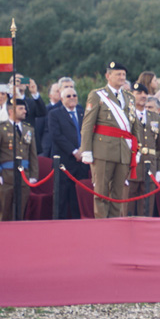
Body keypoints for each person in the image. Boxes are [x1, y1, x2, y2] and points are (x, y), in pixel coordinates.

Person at [80, 62, 140, 219]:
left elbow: (134, 125)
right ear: (108, 76)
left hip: (124, 150)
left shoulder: (129, 97)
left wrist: (136, 149)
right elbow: (87, 125)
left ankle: (115, 222)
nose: (122, 78)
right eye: (118, 74)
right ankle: (101, 224)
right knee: (101, 191)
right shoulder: (98, 95)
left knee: (118, 192)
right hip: (103, 150)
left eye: (124, 75)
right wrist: (86, 150)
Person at [0, 98, 39, 221]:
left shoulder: (28, 129)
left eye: (25, 108)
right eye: (21, 108)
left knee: (20, 214)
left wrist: (33, 175)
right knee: (4, 213)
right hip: (5, 176)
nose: (25, 111)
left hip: (23, 176)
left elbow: (33, 154)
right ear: (11, 111)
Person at [124, 82, 160, 217]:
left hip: (150, 168)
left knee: (147, 208)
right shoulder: (125, 115)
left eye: (144, 93)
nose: (143, 96)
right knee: (128, 207)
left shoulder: (155, 117)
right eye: (139, 93)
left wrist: (159, 170)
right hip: (131, 168)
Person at [48, 86, 89, 219]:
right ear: (61, 99)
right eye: (68, 96)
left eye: (74, 95)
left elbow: (88, 133)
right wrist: (74, 151)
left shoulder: (83, 113)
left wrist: (83, 150)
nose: (72, 98)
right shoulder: (54, 114)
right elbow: (57, 136)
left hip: (82, 162)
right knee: (62, 198)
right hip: (64, 162)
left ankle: (78, 225)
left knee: (77, 197)